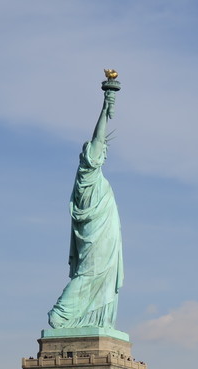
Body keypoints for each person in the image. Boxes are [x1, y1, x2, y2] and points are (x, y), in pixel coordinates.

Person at [48, 85, 124, 330]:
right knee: (89, 273)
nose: (103, 152)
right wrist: (105, 105)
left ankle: (95, 320)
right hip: (96, 237)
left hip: (106, 236)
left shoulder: (96, 178)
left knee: (101, 275)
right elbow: (98, 138)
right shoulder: (87, 173)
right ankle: (61, 314)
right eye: (101, 150)